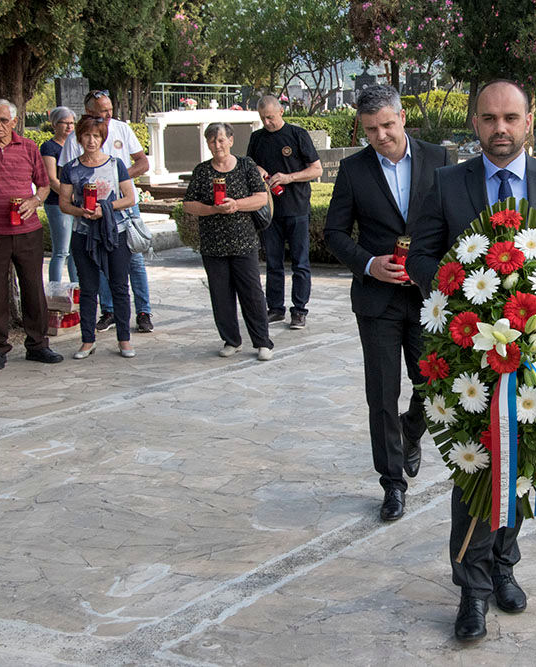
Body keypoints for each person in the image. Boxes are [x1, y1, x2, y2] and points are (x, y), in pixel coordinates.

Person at [407, 79, 536, 643]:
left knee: (522, 460)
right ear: (475, 122)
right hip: (467, 355)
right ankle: (471, 590)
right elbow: (420, 255)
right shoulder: (448, 183)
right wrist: (457, 287)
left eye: (511, 118)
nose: (500, 129)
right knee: (476, 468)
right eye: (490, 118)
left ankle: (503, 566)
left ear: (528, 120)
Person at [325, 85, 451, 521]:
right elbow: (334, 232)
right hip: (376, 300)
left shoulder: (439, 159)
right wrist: (369, 264)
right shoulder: (353, 170)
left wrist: (438, 270)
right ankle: (392, 483)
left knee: (434, 384)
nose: (380, 136)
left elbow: (455, 223)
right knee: (381, 394)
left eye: (387, 125)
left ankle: (412, 429)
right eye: (370, 130)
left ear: (402, 118)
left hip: (428, 299)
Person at [59, 90, 154, 334]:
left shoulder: (122, 129)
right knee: (96, 259)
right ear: (89, 112)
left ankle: (143, 311)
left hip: (123, 204)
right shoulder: (75, 139)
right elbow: (66, 177)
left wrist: (116, 177)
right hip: (89, 211)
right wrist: (79, 206)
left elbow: (143, 162)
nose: (108, 114)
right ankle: (108, 311)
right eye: (103, 110)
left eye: (110, 109)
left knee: (134, 258)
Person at [184, 123, 274, 362]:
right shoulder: (202, 171)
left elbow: (260, 198)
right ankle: (231, 340)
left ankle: (262, 341)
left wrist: (236, 205)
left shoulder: (245, 165)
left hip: (243, 241)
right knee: (221, 295)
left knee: (252, 294)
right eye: (212, 141)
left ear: (231, 140)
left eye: (221, 140)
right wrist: (212, 209)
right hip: (213, 244)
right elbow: (189, 204)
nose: (217, 145)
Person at [0, 98, 64, 371]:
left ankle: (38, 345)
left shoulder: (29, 147)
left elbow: (43, 185)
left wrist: (34, 201)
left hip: (27, 230)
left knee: (33, 287)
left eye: (3, 120)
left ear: (14, 122)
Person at [59, 115, 137, 359]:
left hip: (115, 232)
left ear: (103, 138)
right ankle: (87, 340)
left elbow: (129, 198)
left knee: (119, 287)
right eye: (87, 135)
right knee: (88, 288)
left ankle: (124, 339)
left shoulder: (115, 164)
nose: (91, 141)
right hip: (84, 233)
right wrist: (81, 211)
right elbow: (64, 203)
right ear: (79, 138)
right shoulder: (71, 168)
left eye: (96, 136)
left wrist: (106, 208)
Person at [247, 95, 323, 330]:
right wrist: (257, 169)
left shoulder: (297, 134)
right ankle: (275, 308)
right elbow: (248, 166)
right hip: (269, 209)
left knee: (300, 262)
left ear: (281, 111)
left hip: (297, 207)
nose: (267, 122)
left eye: (270, 117)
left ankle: (299, 310)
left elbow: (316, 169)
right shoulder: (257, 138)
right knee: (273, 262)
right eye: (263, 118)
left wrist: (289, 177)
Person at [40, 106, 78, 283]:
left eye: (72, 123)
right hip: (57, 203)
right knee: (61, 251)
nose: (69, 127)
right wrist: (69, 197)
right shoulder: (49, 147)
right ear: (55, 124)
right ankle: (55, 290)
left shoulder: (75, 145)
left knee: (75, 250)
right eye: (65, 123)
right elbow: (51, 179)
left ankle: (76, 289)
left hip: (75, 203)